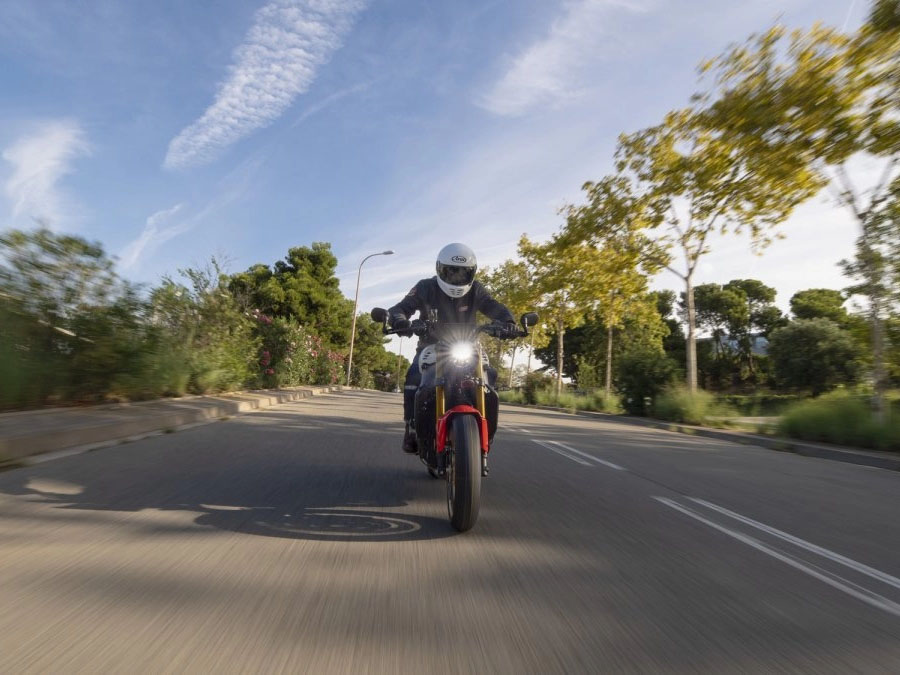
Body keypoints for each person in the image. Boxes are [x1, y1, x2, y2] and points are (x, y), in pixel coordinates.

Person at [388, 243, 516, 453]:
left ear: (472, 273)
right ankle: (411, 427)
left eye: (462, 273)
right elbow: (401, 308)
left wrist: (507, 322)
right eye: (451, 271)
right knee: (413, 377)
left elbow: (493, 306)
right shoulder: (425, 287)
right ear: (440, 269)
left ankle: (486, 435)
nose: (456, 277)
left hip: (467, 345)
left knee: (490, 377)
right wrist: (400, 321)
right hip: (431, 346)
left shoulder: (476, 289)